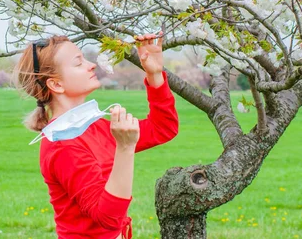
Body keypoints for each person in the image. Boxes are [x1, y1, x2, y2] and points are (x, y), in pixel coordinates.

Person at [13, 33, 179, 238]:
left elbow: (163, 128)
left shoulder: (94, 126)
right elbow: (109, 219)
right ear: (56, 85)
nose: (91, 65)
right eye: (78, 63)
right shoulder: (62, 144)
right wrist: (125, 148)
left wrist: (154, 75)